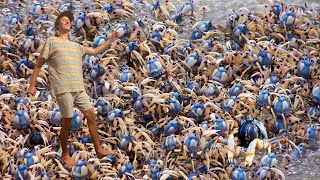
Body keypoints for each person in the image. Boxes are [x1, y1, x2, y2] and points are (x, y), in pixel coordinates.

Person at [28, 11, 119, 166]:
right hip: (63, 88)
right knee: (68, 120)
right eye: (63, 20)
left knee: (90, 114)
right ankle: (64, 153)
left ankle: (99, 149)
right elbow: (39, 64)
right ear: (57, 26)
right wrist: (32, 84)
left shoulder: (76, 46)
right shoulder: (52, 41)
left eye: (69, 20)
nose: (67, 21)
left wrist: (111, 39)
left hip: (78, 88)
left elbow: (96, 51)